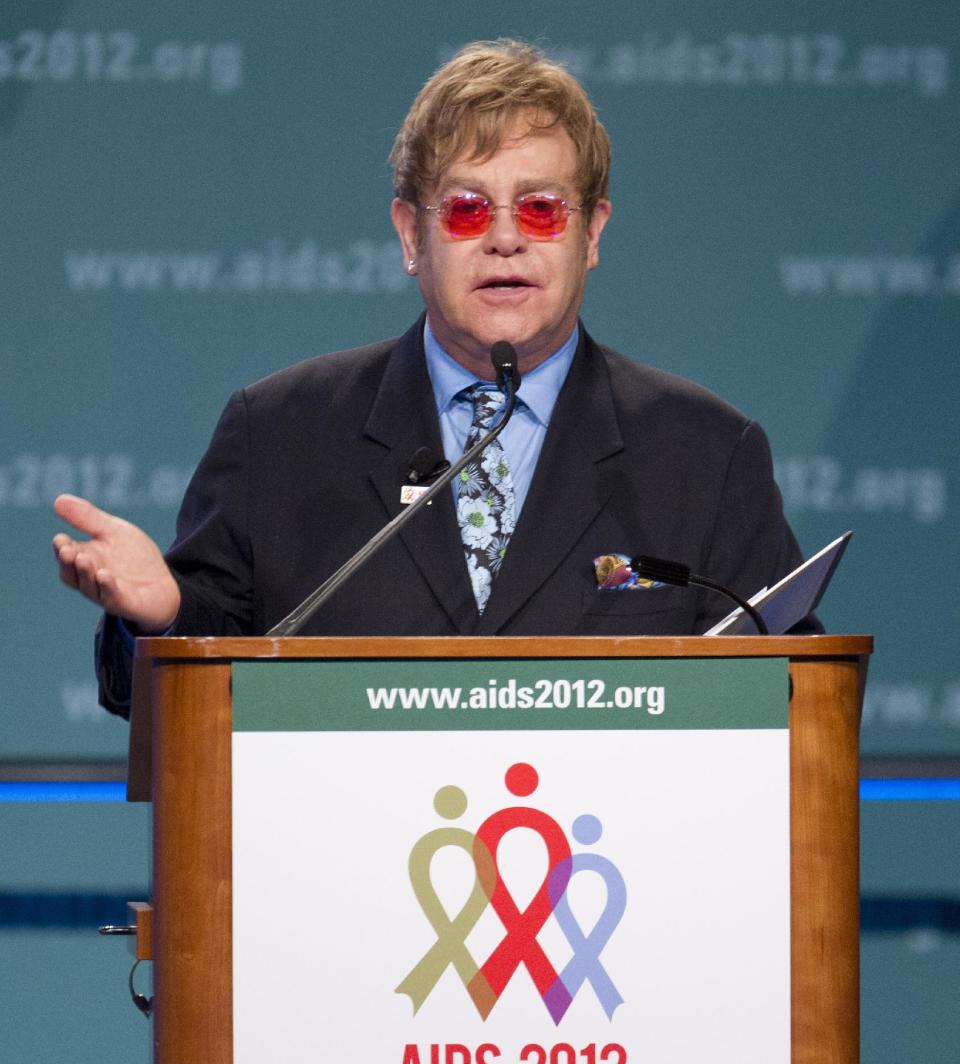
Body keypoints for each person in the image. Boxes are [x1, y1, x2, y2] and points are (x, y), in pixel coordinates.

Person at [52, 39, 818, 719]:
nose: (507, 238)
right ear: (409, 235)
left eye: (544, 209)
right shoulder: (278, 433)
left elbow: (793, 692)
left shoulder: (706, 454)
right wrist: (161, 616)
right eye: (465, 209)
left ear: (594, 234)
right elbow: (164, 688)